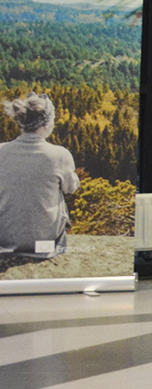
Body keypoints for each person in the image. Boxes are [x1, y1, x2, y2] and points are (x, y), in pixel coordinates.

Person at [0, 95, 78, 269]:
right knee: (58, 194)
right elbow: (71, 188)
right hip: (44, 244)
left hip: (4, 242)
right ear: (46, 124)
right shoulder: (60, 154)